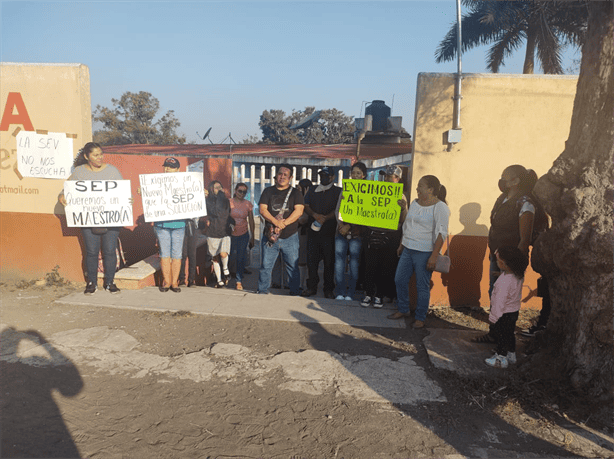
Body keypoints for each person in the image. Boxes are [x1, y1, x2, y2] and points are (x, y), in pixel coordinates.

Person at [58, 142, 125, 295]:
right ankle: (91, 283)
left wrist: (128, 199)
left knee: (109, 251)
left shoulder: (112, 171)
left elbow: (123, 192)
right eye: (95, 155)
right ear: (86, 156)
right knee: (91, 251)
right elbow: (66, 189)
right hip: (88, 219)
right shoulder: (79, 172)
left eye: (101, 154)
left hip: (111, 219)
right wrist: (62, 196)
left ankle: (110, 282)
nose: (99, 157)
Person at [390, 175, 449, 329]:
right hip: (408, 249)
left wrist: (434, 256)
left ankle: (420, 317)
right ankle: (403, 310)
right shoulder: (415, 203)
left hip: (425, 252)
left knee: (422, 286)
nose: (417, 188)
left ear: (431, 189)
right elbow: (408, 225)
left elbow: (442, 233)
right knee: (399, 280)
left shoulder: (440, 207)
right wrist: (402, 244)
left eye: (420, 186)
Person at [361, 165, 408, 308]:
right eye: (386, 176)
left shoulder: (401, 197)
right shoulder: (375, 190)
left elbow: (403, 221)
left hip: (390, 235)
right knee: (369, 266)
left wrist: (403, 208)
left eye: (391, 176)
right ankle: (368, 293)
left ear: (398, 179)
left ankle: (379, 295)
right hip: (372, 232)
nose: (387, 179)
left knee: (384, 267)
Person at [488, 165, 535, 297]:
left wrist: (513, 266)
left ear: (516, 181)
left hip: (511, 259)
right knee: (494, 291)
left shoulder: (525, 203)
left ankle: (504, 318)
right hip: (496, 255)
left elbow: (525, 238)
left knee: (506, 295)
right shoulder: (501, 199)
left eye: (505, 177)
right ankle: (495, 318)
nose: (502, 180)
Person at [257, 164, 304, 295]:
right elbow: (262, 209)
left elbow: (299, 211)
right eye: (280, 174)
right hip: (271, 236)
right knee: (266, 266)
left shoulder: (296, 193)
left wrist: (284, 224)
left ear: (290, 177)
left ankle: (294, 292)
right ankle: (262, 291)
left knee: (292, 267)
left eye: (285, 174)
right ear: (276, 175)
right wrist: (276, 222)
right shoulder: (268, 191)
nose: (282, 177)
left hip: (290, 237)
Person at [484, 246, 529, 368]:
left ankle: (500, 358)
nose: (497, 263)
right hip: (513, 311)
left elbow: (499, 301)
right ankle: (511, 354)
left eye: (498, 261)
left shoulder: (504, 282)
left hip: (503, 313)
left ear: (504, 264)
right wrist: (500, 273)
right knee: (509, 334)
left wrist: (493, 317)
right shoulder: (517, 275)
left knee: (502, 336)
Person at [301, 167, 342, 298]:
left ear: (332, 177)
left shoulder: (338, 191)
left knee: (329, 262)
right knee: (312, 261)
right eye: (321, 175)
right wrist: (315, 214)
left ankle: (328, 289)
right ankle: (311, 287)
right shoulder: (312, 190)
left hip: (330, 232)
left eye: (326, 175)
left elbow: (339, 208)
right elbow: (306, 205)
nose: (323, 177)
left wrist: (326, 217)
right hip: (313, 232)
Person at [334, 161, 367, 301]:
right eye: (353, 173)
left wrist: (350, 226)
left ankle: (351, 293)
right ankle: (340, 291)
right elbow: (338, 209)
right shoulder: (345, 189)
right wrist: (341, 224)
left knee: (354, 263)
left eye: (358, 173)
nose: (355, 175)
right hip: (341, 231)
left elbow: (365, 213)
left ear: (363, 175)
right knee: (339, 262)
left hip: (356, 233)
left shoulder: (368, 190)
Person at [152, 157, 186, 293]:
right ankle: (166, 282)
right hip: (161, 224)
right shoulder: (155, 183)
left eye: (171, 167)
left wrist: (202, 192)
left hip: (179, 224)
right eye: (165, 166)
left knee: (177, 254)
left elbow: (193, 195)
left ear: (178, 170)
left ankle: (174, 282)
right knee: (164, 254)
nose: (167, 169)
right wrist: (143, 191)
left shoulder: (185, 183)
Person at [205, 180, 232, 288]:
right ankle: (219, 280)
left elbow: (225, 212)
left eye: (220, 187)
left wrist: (221, 197)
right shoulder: (209, 201)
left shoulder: (225, 200)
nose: (219, 189)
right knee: (215, 257)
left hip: (224, 230)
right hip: (213, 231)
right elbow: (215, 211)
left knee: (223, 253)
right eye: (216, 188)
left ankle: (225, 268)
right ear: (212, 189)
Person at [229, 182, 255, 290]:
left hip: (243, 233)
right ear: (235, 191)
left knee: (240, 257)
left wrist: (253, 236)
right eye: (240, 191)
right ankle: (226, 275)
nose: (242, 193)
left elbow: (251, 220)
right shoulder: (229, 202)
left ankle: (238, 280)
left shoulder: (248, 204)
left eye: (244, 192)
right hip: (230, 234)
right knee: (230, 256)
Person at [297, 178, 313, 291]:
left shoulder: (308, 200)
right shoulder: (297, 199)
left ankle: (301, 284)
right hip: (297, 232)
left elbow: (303, 219)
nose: (297, 190)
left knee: (302, 260)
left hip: (304, 233)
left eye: (299, 188)